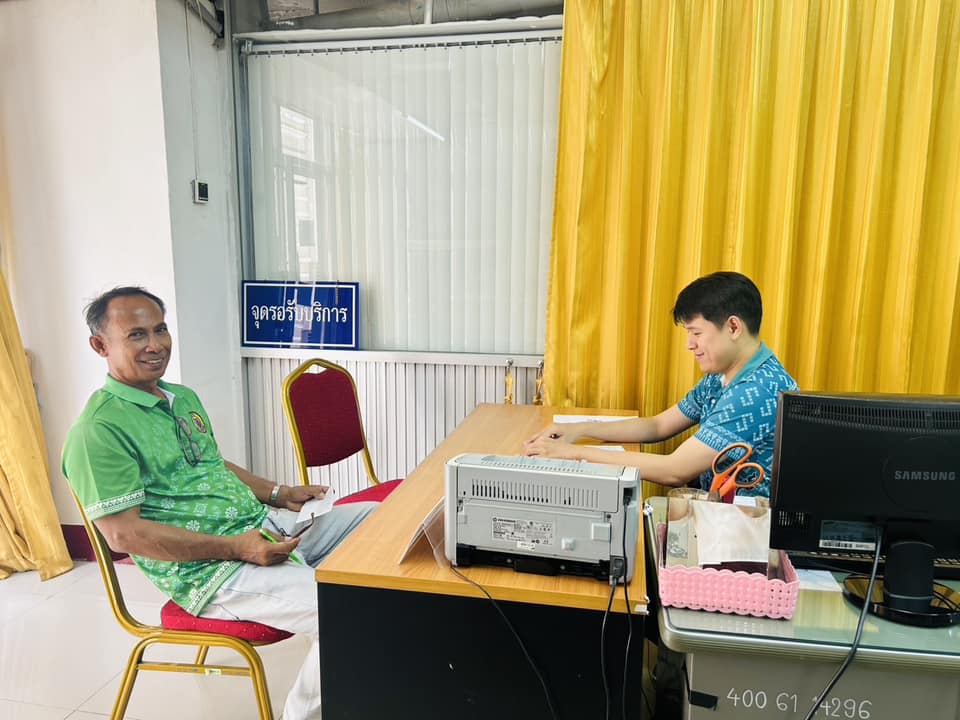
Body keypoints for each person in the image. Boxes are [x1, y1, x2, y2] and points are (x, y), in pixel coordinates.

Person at [62, 286, 376, 720]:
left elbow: (211, 465)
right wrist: (237, 548)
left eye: (160, 329)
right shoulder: (99, 431)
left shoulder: (181, 398)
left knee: (385, 524)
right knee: (348, 614)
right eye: (136, 335)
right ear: (100, 346)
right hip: (212, 571)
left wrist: (279, 493)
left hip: (265, 529)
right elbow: (124, 535)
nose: (155, 345)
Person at [524, 271, 798, 498]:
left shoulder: (756, 391)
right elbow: (658, 426)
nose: (690, 344)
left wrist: (571, 454)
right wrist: (579, 430)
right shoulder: (722, 375)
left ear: (734, 327)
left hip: (747, 531)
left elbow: (674, 470)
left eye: (696, 333)